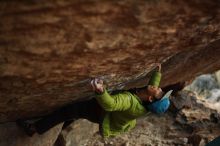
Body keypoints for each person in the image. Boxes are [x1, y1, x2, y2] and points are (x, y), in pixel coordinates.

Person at [17, 63, 173, 138]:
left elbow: (111, 104)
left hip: (100, 112)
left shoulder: (129, 102)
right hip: (104, 114)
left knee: (68, 111)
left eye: (160, 91)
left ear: (150, 98)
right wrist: (157, 74)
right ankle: (68, 121)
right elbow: (153, 87)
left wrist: (100, 91)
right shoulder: (148, 101)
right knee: (75, 113)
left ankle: (33, 129)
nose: (160, 88)